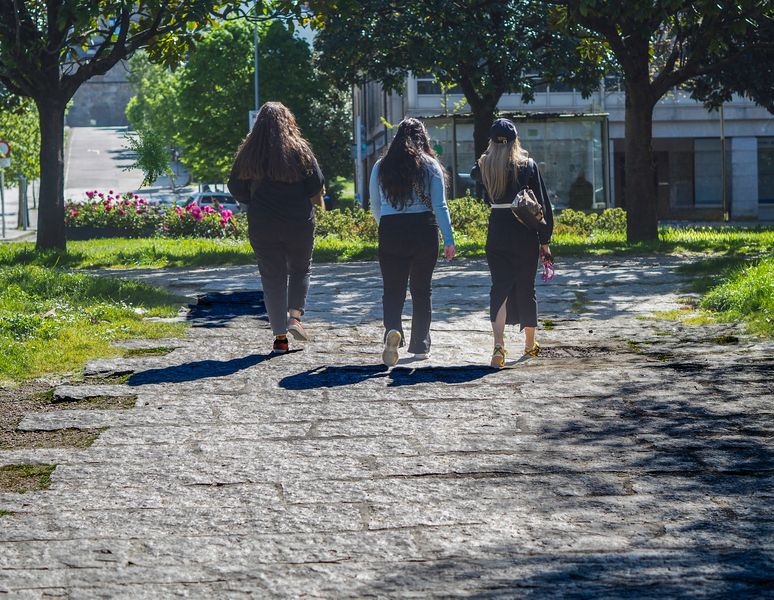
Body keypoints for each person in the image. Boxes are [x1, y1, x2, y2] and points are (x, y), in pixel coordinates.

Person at [227, 102, 325, 355]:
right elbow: (316, 184)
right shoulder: (300, 149)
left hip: (263, 224)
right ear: (288, 121)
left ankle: (280, 338)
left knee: (272, 278)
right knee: (301, 269)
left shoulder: (248, 152)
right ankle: (294, 317)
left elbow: (235, 186)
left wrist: (253, 201)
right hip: (298, 222)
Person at [369, 118, 455, 366]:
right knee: (421, 289)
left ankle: (392, 331)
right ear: (423, 138)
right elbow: (440, 205)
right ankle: (420, 344)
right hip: (423, 230)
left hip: (391, 230)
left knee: (392, 289)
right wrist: (448, 238)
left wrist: (385, 224)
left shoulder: (381, 166)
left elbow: (375, 205)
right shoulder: (430, 165)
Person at [471, 118, 554, 368]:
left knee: (500, 288)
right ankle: (529, 345)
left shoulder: (484, 165)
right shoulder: (527, 166)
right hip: (524, 234)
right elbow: (543, 205)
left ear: (491, 142)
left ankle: (498, 347)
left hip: (497, 233)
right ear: (516, 140)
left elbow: (476, 173)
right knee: (526, 288)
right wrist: (545, 241)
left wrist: (490, 151)